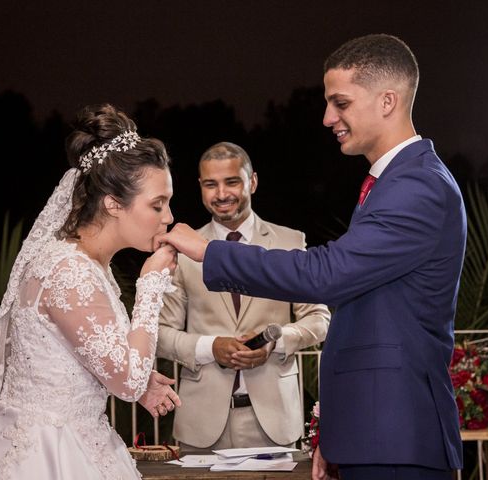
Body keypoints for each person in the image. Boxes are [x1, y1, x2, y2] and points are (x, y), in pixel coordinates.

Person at [157, 34, 466, 480]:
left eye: (340, 103)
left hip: (397, 435)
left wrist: (208, 252)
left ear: (387, 101)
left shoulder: (417, 186)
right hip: (374, 432)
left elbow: (327, 275)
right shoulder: (394, 182)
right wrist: (337, 435)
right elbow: (364, 315)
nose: (327, 118)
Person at [0, 104, 182, 480]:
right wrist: (152, 285)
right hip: (45, 454)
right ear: (113, 203)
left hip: (80, 440)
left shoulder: (87, 264)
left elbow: (84, 354)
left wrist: (133, 376)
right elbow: (127, 381)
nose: (168, 217)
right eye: (158, 204)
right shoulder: (67, 271)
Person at [157, 142, 330, 451]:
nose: (221, 194)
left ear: (252, 182)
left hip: (275, 421)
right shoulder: (182, 251)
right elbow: (158, 334)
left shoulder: (289, 242)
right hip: (201, 425)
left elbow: (319, 319)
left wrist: (274, 343)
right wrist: (210, 347)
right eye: (211, 184)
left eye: (232, 182)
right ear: (200, 187)